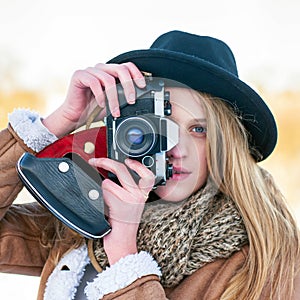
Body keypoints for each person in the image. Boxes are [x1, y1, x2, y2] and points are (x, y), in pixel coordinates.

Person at [0, 30, 299, 300]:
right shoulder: (86, 216)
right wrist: (58, 122)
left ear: (226, 146)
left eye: (199, 130)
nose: (175, 148)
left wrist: (126, 261)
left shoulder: (270, 259)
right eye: (161, 125)